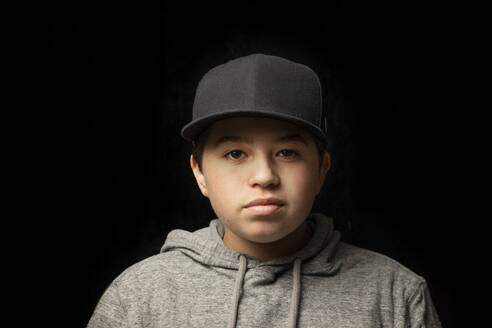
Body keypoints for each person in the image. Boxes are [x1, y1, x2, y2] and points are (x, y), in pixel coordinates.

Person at [87, 54, 442, 327]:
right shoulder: (139, 296)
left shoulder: (396, 295)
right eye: (235, 154)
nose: (264, 176)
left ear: (321, 170)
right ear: (200, 173)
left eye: (287, 153)